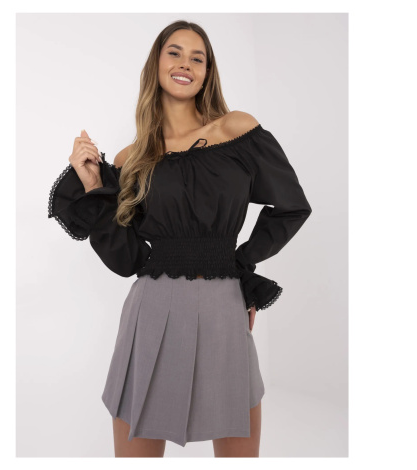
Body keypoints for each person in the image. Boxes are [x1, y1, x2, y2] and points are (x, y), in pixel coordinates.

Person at [48, 20, 312, 458]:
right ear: (157, 63)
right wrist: (94, 185)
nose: (185, 63)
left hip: (223, 306)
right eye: (174, 52)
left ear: (207, 73)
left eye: (197, 57)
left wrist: (241, 265)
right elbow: (127, 259)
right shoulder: (132, 158)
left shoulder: (238, 129)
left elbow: (291, 206)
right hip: (152, 307)